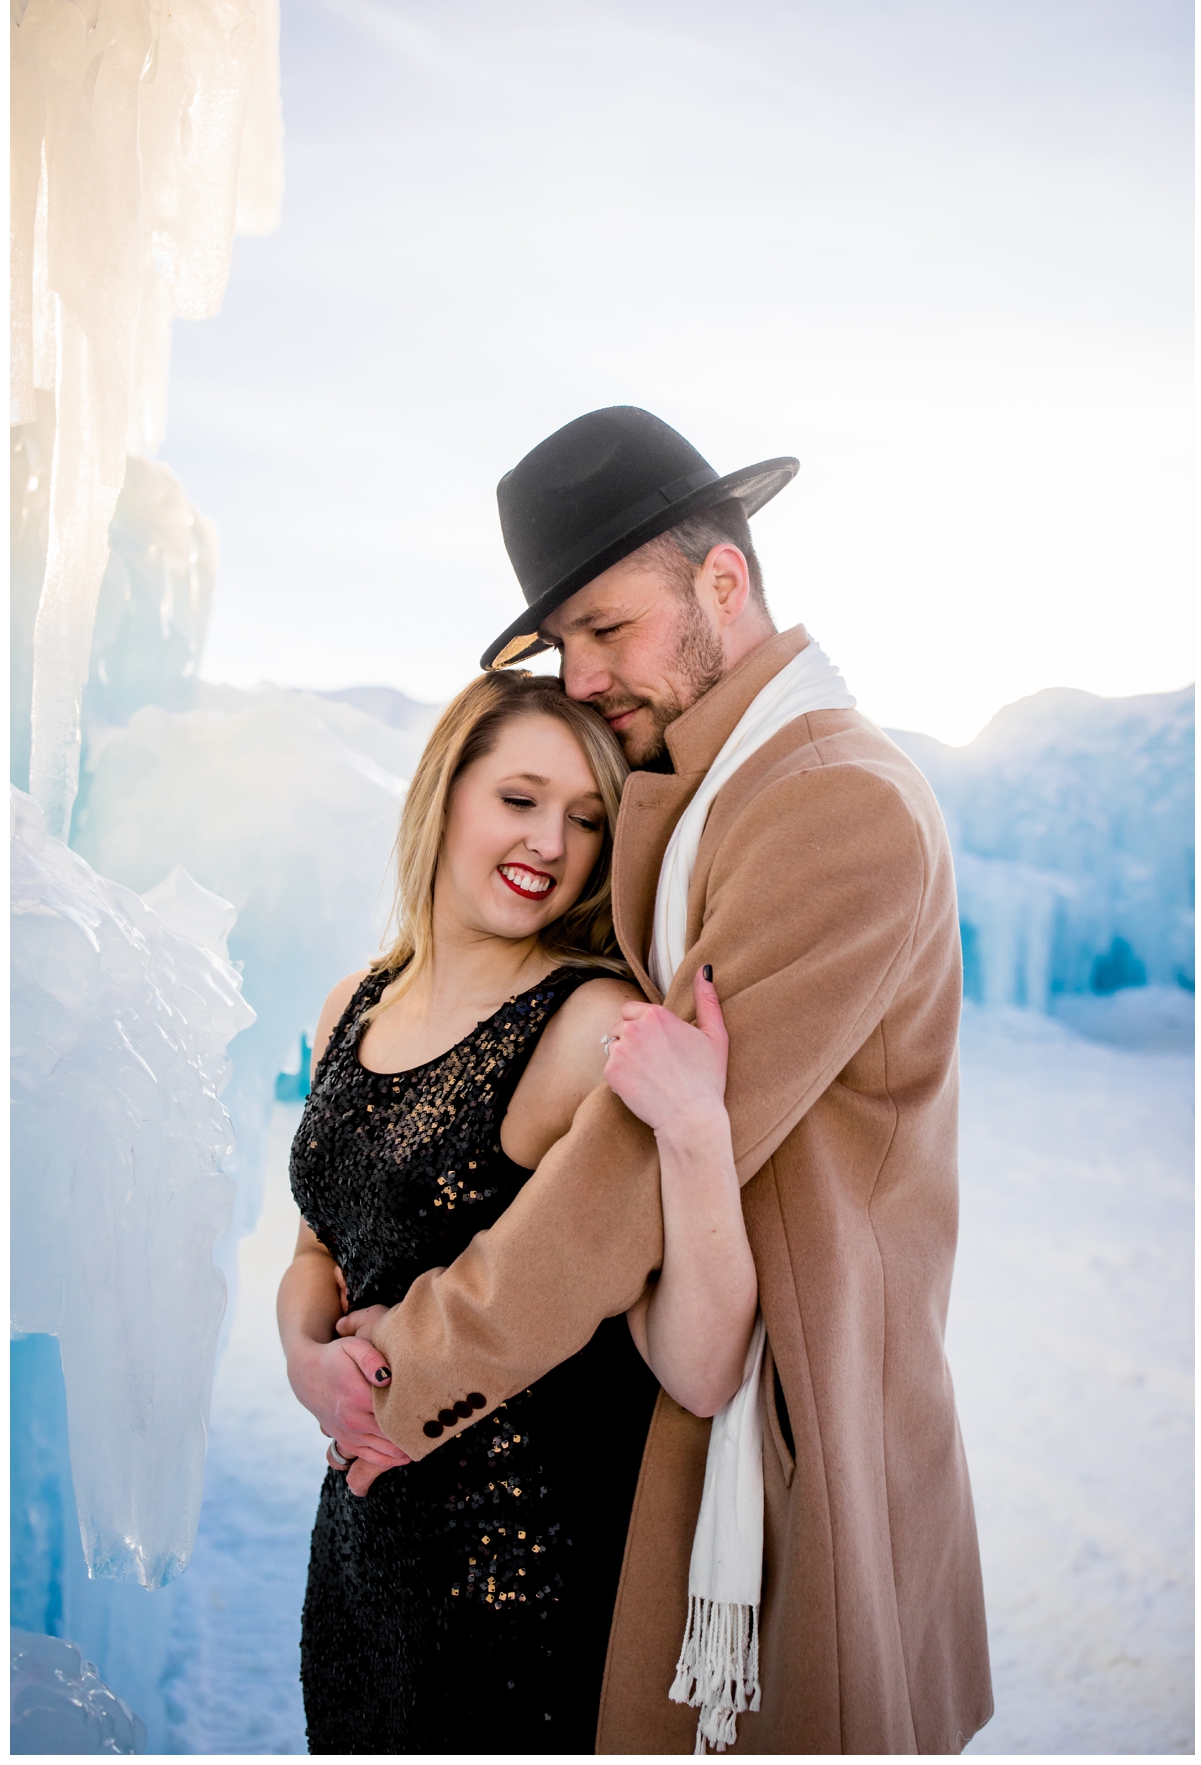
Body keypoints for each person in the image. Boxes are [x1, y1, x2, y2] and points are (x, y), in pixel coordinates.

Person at [328, 406, 993, 1752]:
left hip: (785, 1431)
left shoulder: (831, 804)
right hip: (684, 1394)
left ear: (724, 581)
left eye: (605, 629)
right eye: (561, 642)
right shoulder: (716, 786)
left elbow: (635, 1156)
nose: (578, 676)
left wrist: (416, 1366)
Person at [279, 671, 758, 1750]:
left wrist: (694, 1133)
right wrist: (306, 1362)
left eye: (588, 819)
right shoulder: (352, 1000)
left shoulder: (591, 1025)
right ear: (446, 793)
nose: (552, 840)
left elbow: (700, 1363)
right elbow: (320, 1247)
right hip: (361, 1552)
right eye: (520, 798)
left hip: (517, 1576)